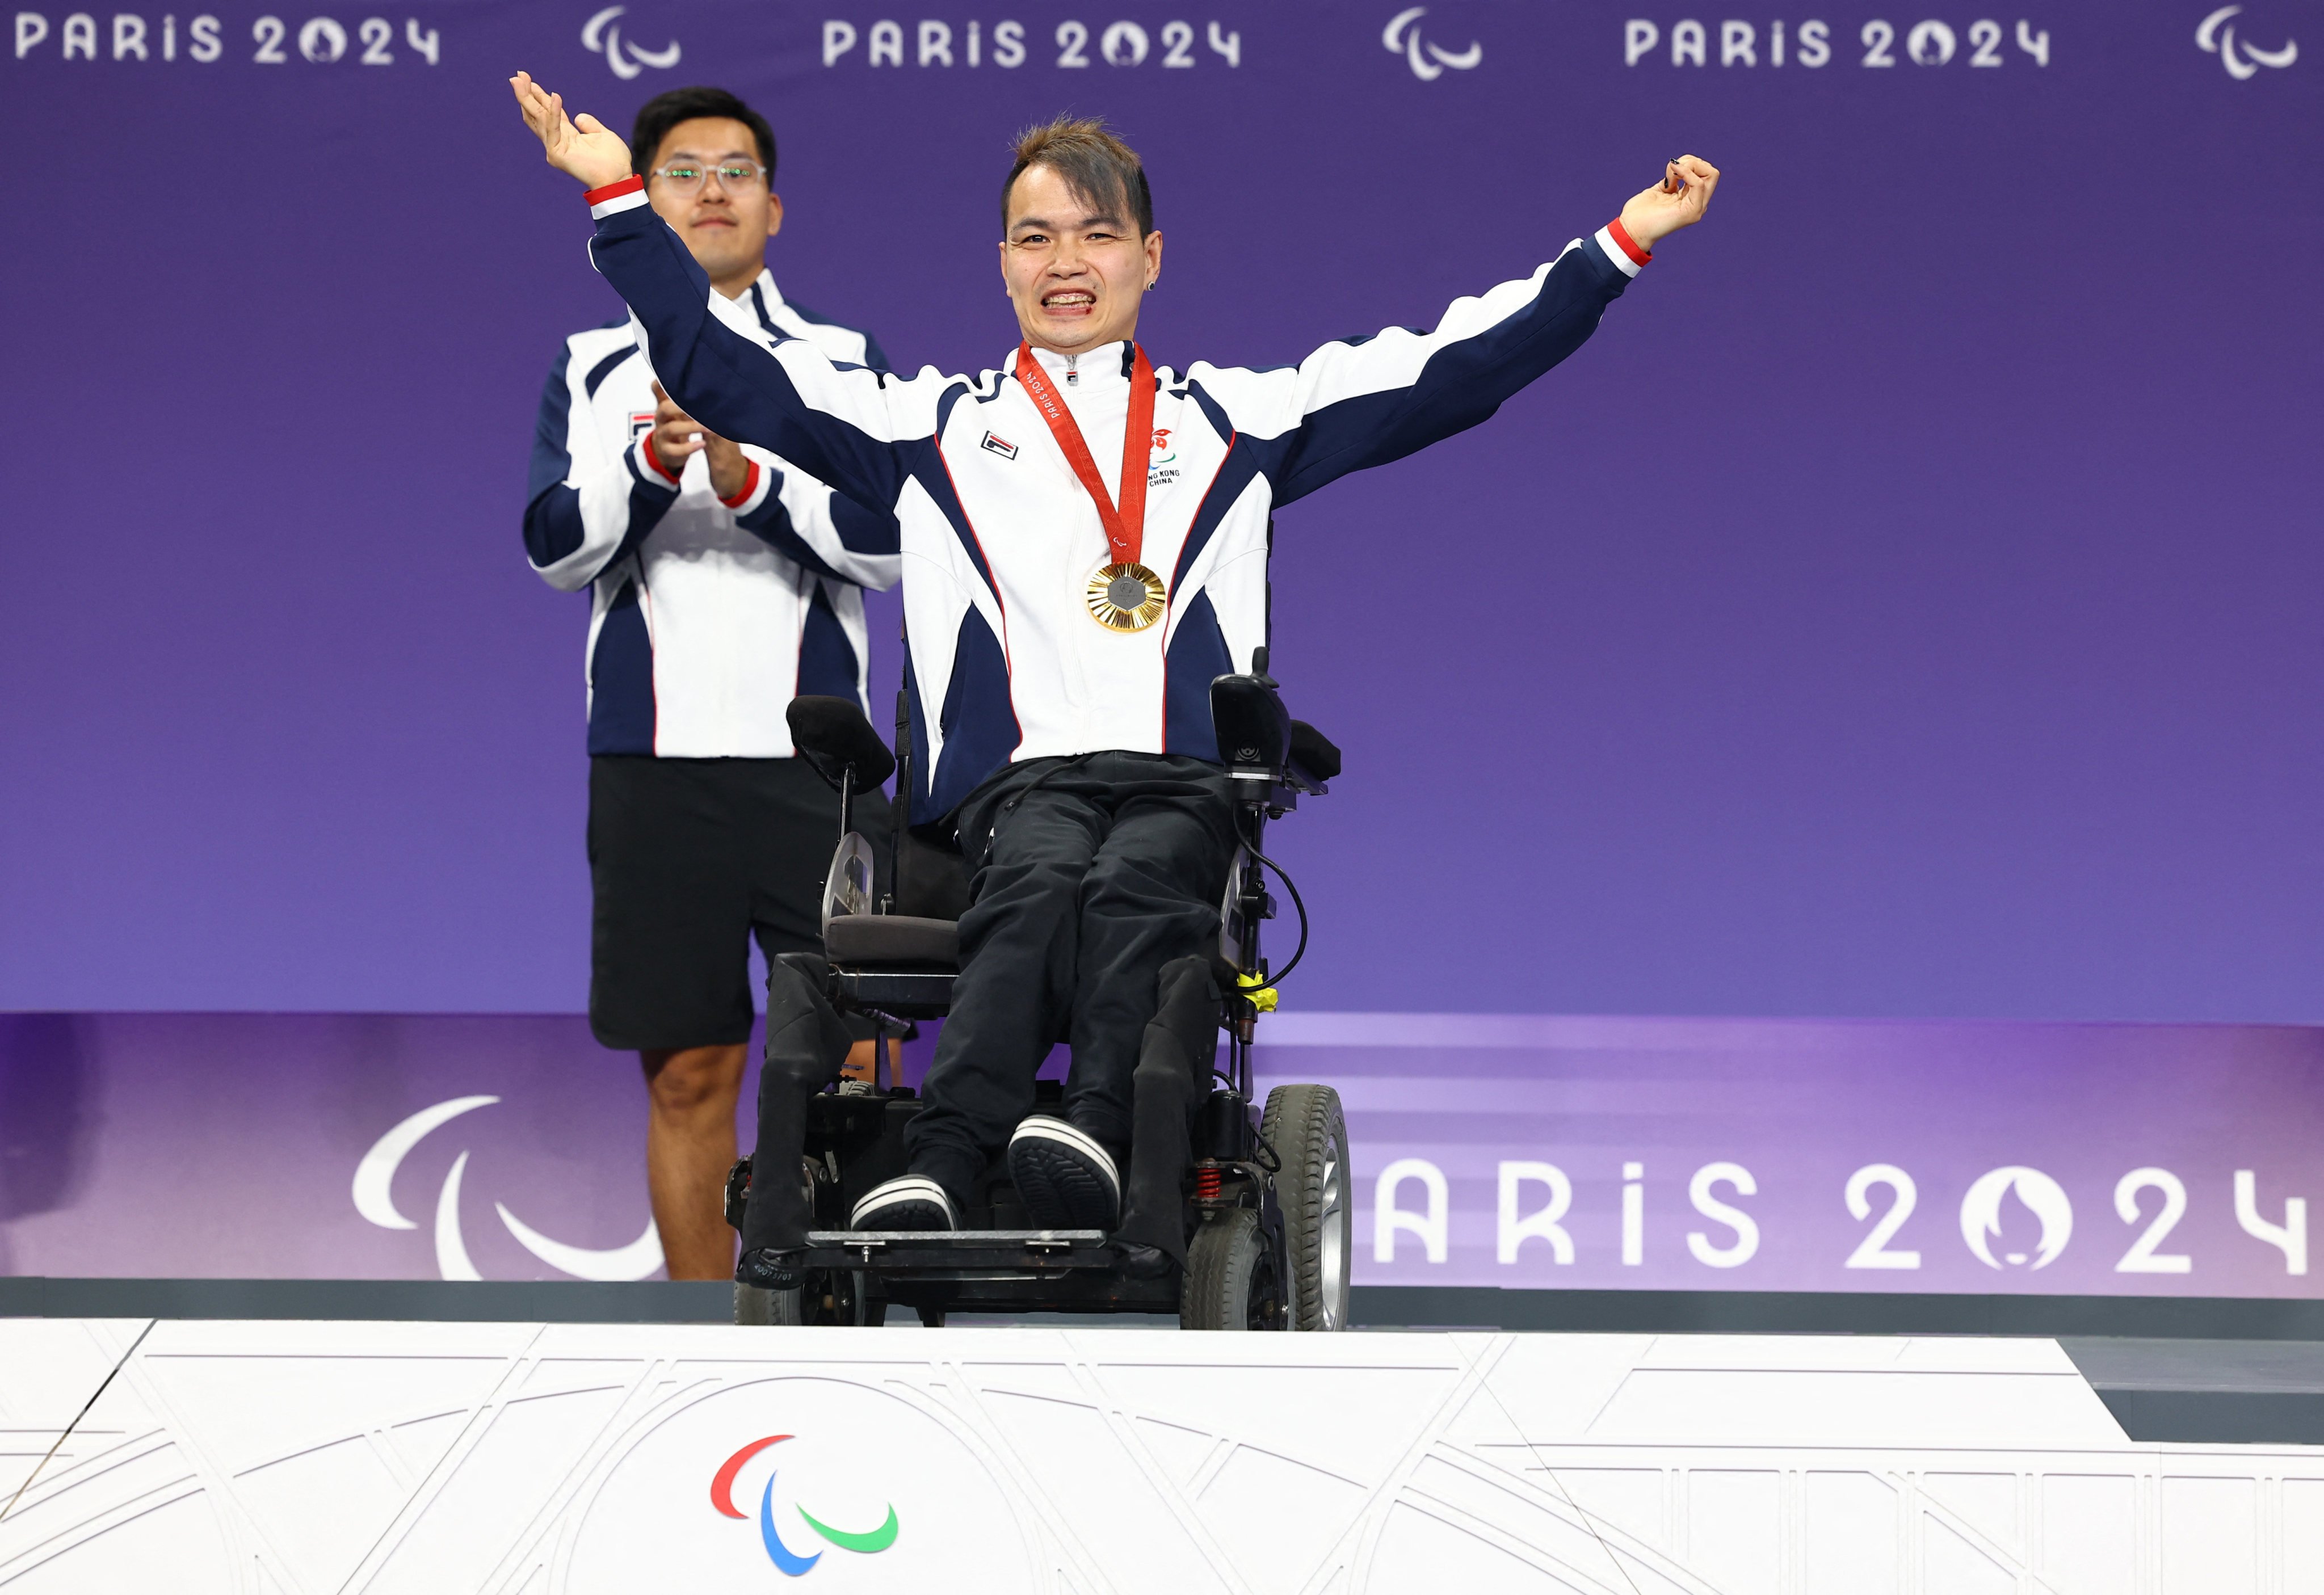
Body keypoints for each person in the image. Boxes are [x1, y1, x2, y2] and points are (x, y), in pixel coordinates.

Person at [511, 73, 1718, 1265]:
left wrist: (1617, 246)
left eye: (1095, 234)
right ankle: (940, 1159)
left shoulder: (1235, 421)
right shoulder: (931, 429)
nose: (1065, 260)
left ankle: (1086, 1131)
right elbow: (723, 371)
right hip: (1016, 789)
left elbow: (1452, 366)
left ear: (1149, 256)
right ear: (1001, 263)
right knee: (1033, 887)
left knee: (1140, 881)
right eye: (1036, 237)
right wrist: (615, 191)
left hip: (1180, 780)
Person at [522, 85, 901, 1280]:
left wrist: (747, 478)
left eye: (736, 170)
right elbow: (550, 547)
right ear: (643, 196)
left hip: (817, 773)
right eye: (682, 170)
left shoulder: (842, 361)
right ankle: (692, 1340)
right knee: (692, 1069)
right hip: (654, 771)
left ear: (773, 208)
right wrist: (646, 459)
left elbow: (893, 546)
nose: (712, 189)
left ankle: (853, 1301)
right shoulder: (591, 366)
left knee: (858, 1062)